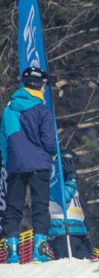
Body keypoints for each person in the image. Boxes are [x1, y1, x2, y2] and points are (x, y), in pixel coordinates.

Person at [0, 66, 57, 263]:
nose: (44, 89)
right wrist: (53, 154)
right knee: (40, 205)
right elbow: (49, 141)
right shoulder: (42, 109)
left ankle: (12, 251)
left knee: (13, 207)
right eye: (44, 85)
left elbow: (3, 140)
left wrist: (9, 162)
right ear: (39, 85)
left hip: (15, 164)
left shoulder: (9, 109)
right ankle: (39, 250)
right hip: (39, 163)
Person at [48, 150, 92, 259]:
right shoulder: (53, 181)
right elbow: (64, 198)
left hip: (79, 234)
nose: (74, 169)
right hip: (63, 232)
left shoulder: (69, 183)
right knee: (69, 270)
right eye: (71, 164)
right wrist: (71, 178)